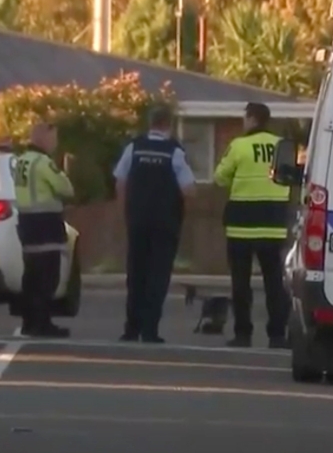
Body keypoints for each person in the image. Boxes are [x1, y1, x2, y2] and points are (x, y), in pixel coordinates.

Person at [113, 106, 196, 343]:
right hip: (165, 222)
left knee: (136, 273)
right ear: (168, 125)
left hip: (137, 220)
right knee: (158, 275)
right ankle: (150, 331)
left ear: (150, 124)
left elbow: (120, 181)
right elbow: (188, 189)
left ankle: (131, 328)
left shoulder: (134, 147)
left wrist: (125, 211)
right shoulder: (174, 151)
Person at [213, 102, 292, 349]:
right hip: (273, 222)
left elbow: (220, 177)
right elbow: (291, 178)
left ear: (251, 118)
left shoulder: (239, 146)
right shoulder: (282, 146)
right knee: (274, 283)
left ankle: (243, 333)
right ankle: (277, 335)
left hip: (242, 224)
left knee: (241, 282)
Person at [13, 122, 75, 337]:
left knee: (31, 276)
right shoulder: (43, 162)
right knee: (47, 276)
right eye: (53, 137)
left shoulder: (22, 160)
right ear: (44, 138)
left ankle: (29, 322)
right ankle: (42, 324)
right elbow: (65, 188)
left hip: (27, 223)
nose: (55, 143)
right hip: (45, 224)